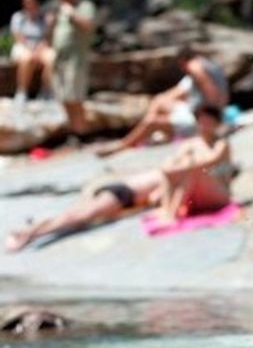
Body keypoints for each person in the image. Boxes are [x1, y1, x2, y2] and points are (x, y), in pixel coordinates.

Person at [6, 106, 232, 251]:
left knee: (75, 214)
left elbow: (182, 170)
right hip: (124, 193)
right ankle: (30, 234)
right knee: (79, 216)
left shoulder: (195, 153)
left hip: (121, 189)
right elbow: (172, 174)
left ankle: (31, 230)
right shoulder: (187, 155)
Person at [97, 46, 228, 157]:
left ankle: (124, 145)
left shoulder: (195, 67)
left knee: (152, 122)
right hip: (202, 114)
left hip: (202, 120)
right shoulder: (206, 65)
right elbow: (180, 92)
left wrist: (209, 122)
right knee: (159, 101)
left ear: (183, 61)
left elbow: (212, 94)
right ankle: (159, 134)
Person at [153, 105, 233, 222]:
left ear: (217, 123)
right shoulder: (190, 144)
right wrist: (169, 168)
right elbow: (174, 162)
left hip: (219, 193)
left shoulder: (221, 144)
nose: (204, 125)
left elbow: (210, 161)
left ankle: (172, 214)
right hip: (198, 196)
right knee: (173, 166)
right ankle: (167, 210)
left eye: (209, 121)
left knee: (193, 169)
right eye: (202, 121)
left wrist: (182, 167)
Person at [47, 0, 96, 136]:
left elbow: (88, 26)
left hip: (76, 59)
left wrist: (71, 13)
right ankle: (74, 131)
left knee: (76, 96)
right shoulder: (59, 11)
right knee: (64, 97)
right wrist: (50, 24)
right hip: (59, 59)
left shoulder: (84, 6)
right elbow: (49, 39)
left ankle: (83, 132)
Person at [9, 0, 52, 104]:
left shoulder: (44, 16)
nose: (28, 2)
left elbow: (47, 38)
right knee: (27, 58)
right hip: (23, 46)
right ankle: (22, 92)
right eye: (26, 0)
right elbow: (18, 38)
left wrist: (50, 24)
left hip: (41, 47)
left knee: (52, 58)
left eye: (31, 0)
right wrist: (32, 51)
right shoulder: (18, 16)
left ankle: (46, 91)